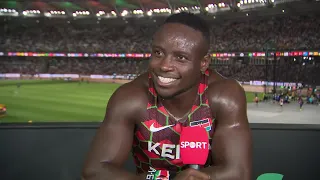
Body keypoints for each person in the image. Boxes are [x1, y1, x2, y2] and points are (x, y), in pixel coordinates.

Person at [82, 12, 252, 180]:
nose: (164, 66)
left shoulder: (224, 96)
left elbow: (238, 172)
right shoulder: (130, 98)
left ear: (203, 63)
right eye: (158, 53)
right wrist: (164, 179)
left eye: (180, 57)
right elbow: (95, 170)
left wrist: (201, 177)